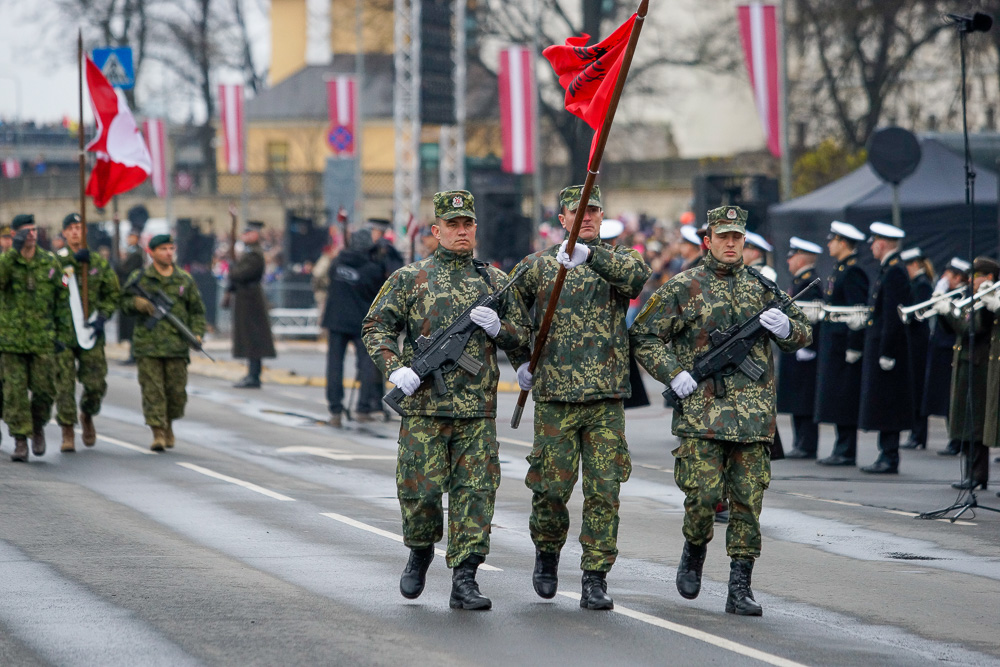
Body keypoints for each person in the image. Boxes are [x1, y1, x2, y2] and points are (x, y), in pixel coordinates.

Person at [631, 205, 811, 616]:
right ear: (707, 241)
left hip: (753, 419)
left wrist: (786, 328)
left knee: (748, 504)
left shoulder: (764, 288)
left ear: (744, 242)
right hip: (702, 416)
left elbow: (802, 331)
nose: (731, 244)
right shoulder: (682, 286)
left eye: (737, 237)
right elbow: (643, 335)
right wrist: (673, 373)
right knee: (704, 497)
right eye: (723, 236)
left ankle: (740, 586)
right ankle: (694, 548)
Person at [362, 190, 529, 611]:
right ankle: (420, 551)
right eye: (452, 225)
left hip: (476, 411)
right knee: (420, 494)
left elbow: (522, 337)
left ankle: (465, 579)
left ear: (475, 228)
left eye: (467, 224)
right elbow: (376, 325)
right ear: (436, 230)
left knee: (476, 494)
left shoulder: (494, 281)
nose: (460, 231)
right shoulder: (410, 278)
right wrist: (394, 366)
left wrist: (499, 332)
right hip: (422, 410)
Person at [509, 185, 650, 611]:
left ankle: (595, 576)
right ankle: (548, 553)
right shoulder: (537, 266)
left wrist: (594, 257)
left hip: (605, 399)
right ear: (562, 219)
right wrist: (520, 357)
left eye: (593, 211)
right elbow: (511, 313)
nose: (587, 218)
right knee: (551, 489)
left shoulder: (618, 259)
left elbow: (637, 279)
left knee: (604, 491)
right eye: (578, 212)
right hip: (555, 397)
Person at [121, 234, 207, 451]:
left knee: (176, 394)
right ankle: (158, 431)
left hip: (176, 346)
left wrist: (196, 334)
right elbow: (122, 301)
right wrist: (136, 303)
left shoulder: (184, 279)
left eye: (171, 248)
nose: (168, 253)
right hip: (148, 345)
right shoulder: (141, 277)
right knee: (152, 390)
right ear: (152, 252)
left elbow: (197, 310)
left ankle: (169, 422)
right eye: (163, 249)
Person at [0, 213, 71, 462]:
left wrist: (64, 334)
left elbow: (62, 300)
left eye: (33, 230)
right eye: (25, 231)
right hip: (12, 341)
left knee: (44, 391)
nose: (31, 234)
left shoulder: (50, 263)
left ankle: (38, 426)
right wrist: (13, 252)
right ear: (15, 234)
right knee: (15, 393)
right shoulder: (6, 262)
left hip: (43, 339)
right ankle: (20, 440)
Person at [54, 213, 120, 452]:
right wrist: (68, 269)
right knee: (63, 385)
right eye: (70, 228)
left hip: (91, 332)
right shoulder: (56, 262)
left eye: (79, 227)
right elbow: (53, 288)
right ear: (64, 232)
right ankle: (67, 430)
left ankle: (87, 415)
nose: (74, 232)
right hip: (63, 333)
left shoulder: (98, 263)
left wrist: (103, 316)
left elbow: (113, 293)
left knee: (95, 383)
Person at [935, 257, 998, 489]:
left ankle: (977, 475)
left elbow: (972, 328)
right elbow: (958, 329)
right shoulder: (974, 298)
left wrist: (949, 312)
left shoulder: (987, 299)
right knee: (966, 420)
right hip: (966, 363)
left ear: (989, 277)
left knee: (976, 424)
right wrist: (944, 313)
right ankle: (972, 473)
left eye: (977, 275)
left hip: (979, 366)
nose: (971, 280)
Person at [858, 222, 913, 474]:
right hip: (880, 345)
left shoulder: (894, 272)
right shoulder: (887, 270)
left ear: (882, 243)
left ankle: (890, 456)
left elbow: (893, 316)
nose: (871, 246)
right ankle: (885, 453)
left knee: (888, 404)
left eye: (874, 241)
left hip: (888, 349)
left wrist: (887, 351)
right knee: (882, 403)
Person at [814, 221, 869, 467]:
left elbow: (856, 313)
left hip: (844, 346)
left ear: (843, 243)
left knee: (844, 399)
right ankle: (841, 447)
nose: (829, 244)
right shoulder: (840, 269)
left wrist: (854, 346)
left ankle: (846, 450)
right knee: (836, 398)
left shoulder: (853, 271)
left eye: (833, 240)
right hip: (834, 344)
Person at [323, 229, 387, 426]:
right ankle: (363, 407)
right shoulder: (373, 269)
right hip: (361, 321)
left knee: (334, 365)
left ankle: (335, 408)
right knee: (366, 365)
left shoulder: (337, 263)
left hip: (336, 320)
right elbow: (379, 294)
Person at [777, 237, 824, 459]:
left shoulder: (809, 282)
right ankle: (800, 441)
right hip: (795, 348)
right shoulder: (799, 280)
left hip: (805, 350)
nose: (789, 261)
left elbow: (812, 316)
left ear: (801, 257)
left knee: (804, 398)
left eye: (792, 256)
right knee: (796, 397)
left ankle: (807, 443)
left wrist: (808, 345)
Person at [927, 259, 971, 456]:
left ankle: (959, 440)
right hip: (942, 349)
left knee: (957, 398)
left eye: (949, 275)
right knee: (947, 399)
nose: (944, 278)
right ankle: (954, 438)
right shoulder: (950, 293)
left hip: (954, 349)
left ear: (958, 277)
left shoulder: (965, 295)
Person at [227, 220, 276, 388]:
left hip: (251, 299)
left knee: (253, 338)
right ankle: (251, 373)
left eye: (248, 233)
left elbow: (239, 274)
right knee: (249, 338)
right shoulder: (250, 252)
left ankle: (254, 375)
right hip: (247, 298)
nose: (244, 236)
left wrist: (233, 272)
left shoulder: (254, 254)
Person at [899, 248, 934, 450]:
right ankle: (915, 433)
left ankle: (918, 435)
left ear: (914, 265)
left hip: (918, 342)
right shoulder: (916, 283)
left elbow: (920, 311)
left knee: (918, 388)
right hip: (913, 341)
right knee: (914, 389)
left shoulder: (922, 285)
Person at [116, 229, 145, 365]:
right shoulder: (131, 252)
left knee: (133, 326)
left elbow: (126, 269)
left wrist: (118, 264)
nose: (129, 239)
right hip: (128, 292)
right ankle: (133, 353)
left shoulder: (137, 254)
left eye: (132, 237)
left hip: (134, 291)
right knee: (130, 327)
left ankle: (135, 354)